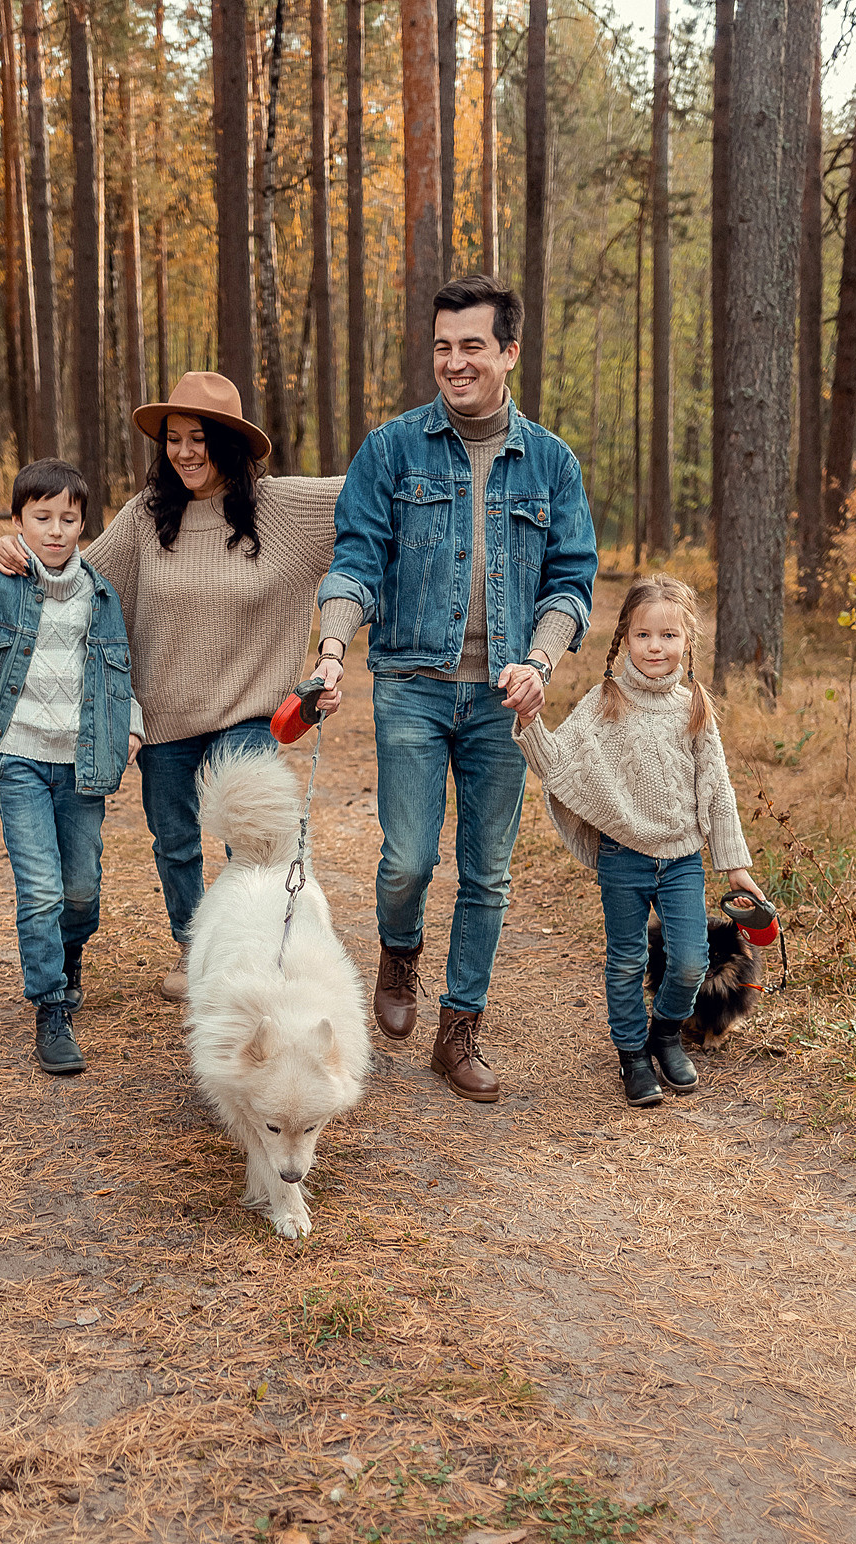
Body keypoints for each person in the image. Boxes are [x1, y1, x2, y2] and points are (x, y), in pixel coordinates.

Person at [316, 274, 598, 1102]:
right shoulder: (392, 449)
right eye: (442, 346)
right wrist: (332, 649)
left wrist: (539, 663)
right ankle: (398, 952)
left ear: (509, 352)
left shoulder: (551, 462)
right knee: (407, 860)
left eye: (472, 345)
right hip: (411, 682)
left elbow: (571, 583)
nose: (454, 361)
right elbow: (356, 559)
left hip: (505, 699)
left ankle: (459, 1027)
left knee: (488, 874)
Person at [0, 372, 344, 1003]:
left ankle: (264, 947)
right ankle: (196, 947)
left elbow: (378, 494)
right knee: (175, 840)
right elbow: (78, 579)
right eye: (174, 439)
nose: (184, 452)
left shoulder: (285, 509)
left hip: (250, 711)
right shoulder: (147, 518)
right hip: (163, 717)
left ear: (230, 444)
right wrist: (13, 553)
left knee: (256, 835)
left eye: (199, 438)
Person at [0, 458, 142, 1076]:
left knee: (82, 890)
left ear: (84, 524)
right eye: (41, 518)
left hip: (82, 763)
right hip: (20, 759)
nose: (56, 530)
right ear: (18, 521)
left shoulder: (101, 596)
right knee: (40, 888)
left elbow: (117, 669)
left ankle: (69, 956)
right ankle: (51, 1004)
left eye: (69, 518)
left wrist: (133, 724)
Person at [513, 574, 768, 1107]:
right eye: (644, 636)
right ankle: (632, 1055)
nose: (656, 647)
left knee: (691, 961)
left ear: (687, 641)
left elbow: (716, 787)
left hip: (681, 859)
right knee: (626, 960)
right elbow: (561, 763)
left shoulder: (693, 704)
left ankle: (666, 1033)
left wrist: (735, 865)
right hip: (623, 857)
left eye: (668, 636)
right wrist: (530, 723)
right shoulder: (604, 699)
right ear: (625, 638)